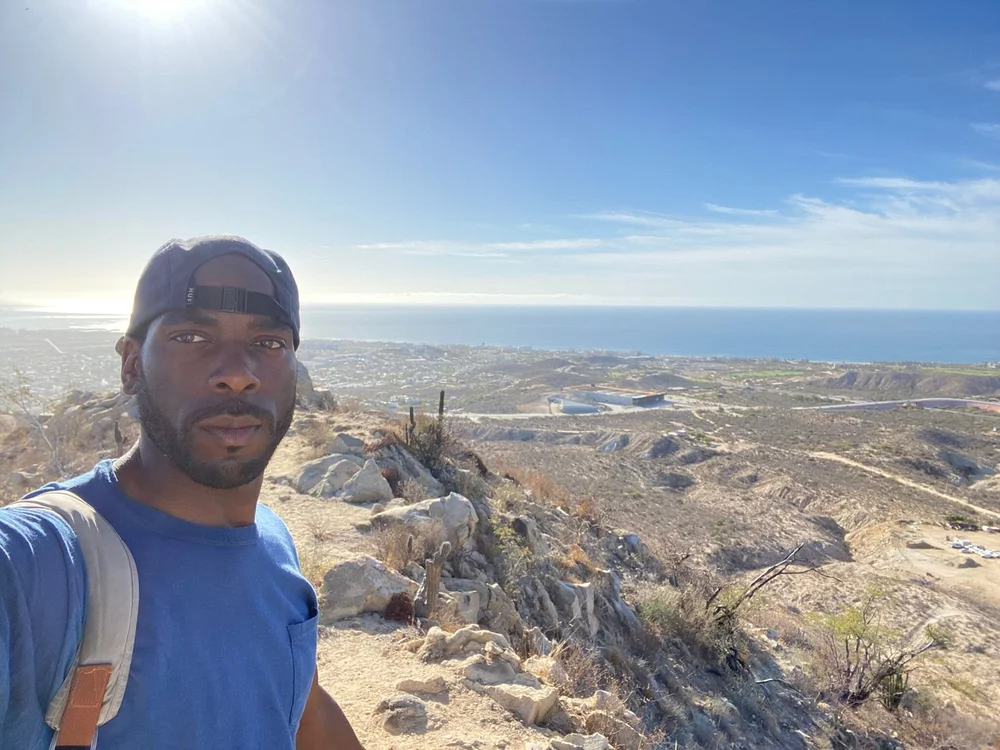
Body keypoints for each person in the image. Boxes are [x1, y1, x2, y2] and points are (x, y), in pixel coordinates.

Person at [0, 235, 365, 749]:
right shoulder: (37, 564)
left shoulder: (273, 542)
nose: (237, 374)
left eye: (269, 343)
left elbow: (303, 710)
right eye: (192, 336)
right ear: (131, 365)